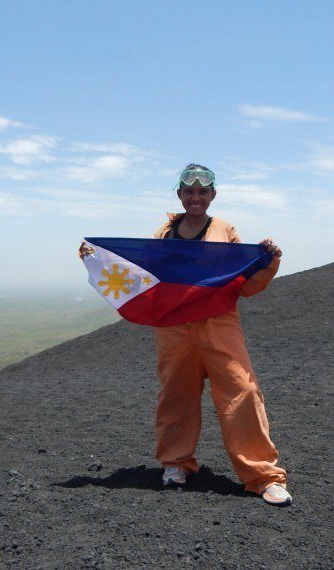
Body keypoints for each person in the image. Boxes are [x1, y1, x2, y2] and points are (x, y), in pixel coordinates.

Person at [79, 163, 291, 506]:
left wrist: (268, 260)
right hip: (174, 329)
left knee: (243, 391)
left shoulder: (225, 230)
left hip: (219, 324)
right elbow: (141, 275)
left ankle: (263, 475)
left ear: (212, 195)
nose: (196, 197)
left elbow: (245, 282)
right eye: (189, 191)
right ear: (179, 195)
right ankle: (176, 463)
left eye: (203, 192)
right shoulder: (163, 234)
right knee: (176, 393)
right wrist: (99, 257)